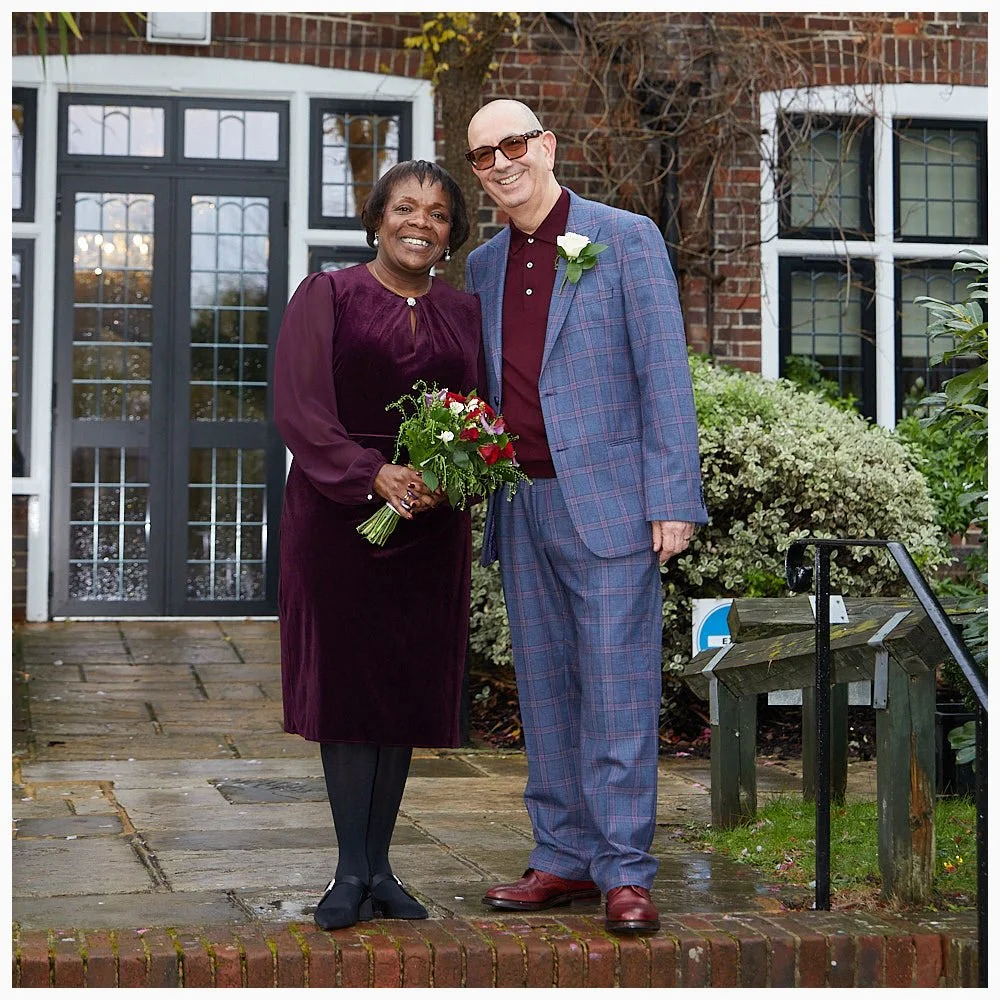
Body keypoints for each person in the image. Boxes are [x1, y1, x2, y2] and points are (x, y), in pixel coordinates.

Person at [464, 100, 708, 934]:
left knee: (618, 690)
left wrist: (673, 496)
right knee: (545, 692)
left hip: (609, 505)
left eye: (513, 144)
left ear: (547, 146)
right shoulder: (484, 264)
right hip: (521, 504)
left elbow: (664, 374)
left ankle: (626, 870)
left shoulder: (624, 236)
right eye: (482, 154)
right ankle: (561, 857)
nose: (500, 162)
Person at [273, 160, 481, 931]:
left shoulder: (466, 313)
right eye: (404, 207)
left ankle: (384, 868)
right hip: (338, 522)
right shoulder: (328, 295)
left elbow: (482, 411)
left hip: (431, 524)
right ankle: (348, 871)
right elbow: (298, 407)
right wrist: (372, 473)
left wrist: (445, 474)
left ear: (452, 232)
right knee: (350, 693)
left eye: (435, 212)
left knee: (403, 694)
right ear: (377, 218)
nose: (418, 222)